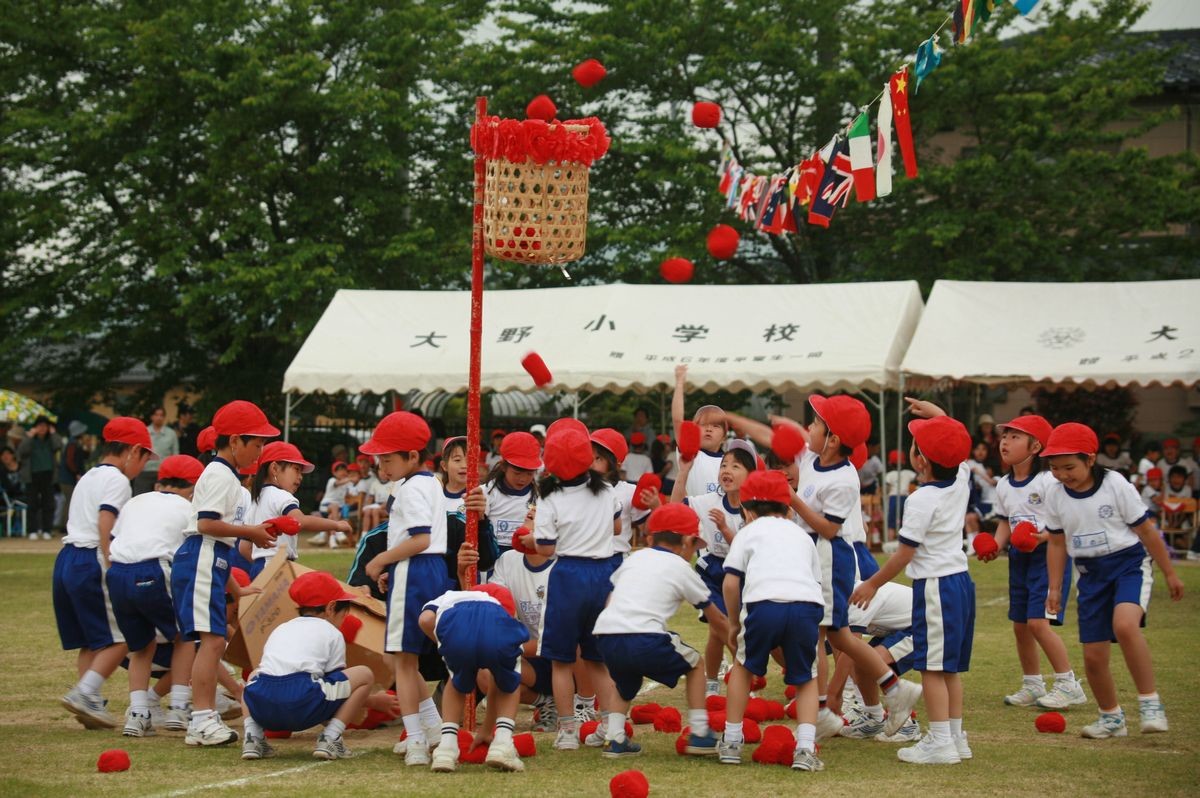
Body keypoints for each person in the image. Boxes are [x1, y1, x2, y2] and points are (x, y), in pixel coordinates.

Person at [790, 395, 921, 744]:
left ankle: (822, 711)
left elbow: (830, 528)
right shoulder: (811, 460)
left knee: (820, 634)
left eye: (816, 424)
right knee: (835, 635)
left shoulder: (845, 479)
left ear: (833, 439)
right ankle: (893, 688)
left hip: (830, 557)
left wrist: (791, 499)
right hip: (812, 556)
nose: (809, 428)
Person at [1041, 422, 1184, 738]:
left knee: (1124, 625)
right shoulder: (1053, 493)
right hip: (1090, 576)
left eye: (1069, 467)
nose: (1062, 474)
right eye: (1054, 468)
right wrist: (1054, 587)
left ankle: (1150, 703)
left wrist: (1171, 573)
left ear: (1090, 459)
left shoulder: (1116, 484)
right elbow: (1055, 542)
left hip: (1128, 566)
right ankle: (1111, 718)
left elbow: (1146, 530)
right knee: (1093, 657)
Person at [851, 405, 976, 765]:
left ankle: (939, 742)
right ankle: (954, 737)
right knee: (948, 668)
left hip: (935, 587)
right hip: (960, 583)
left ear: (919, 461)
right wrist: (936, 413)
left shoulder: (921, 498)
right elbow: (956, 438)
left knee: (932, 668)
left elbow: (904, 554)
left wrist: (873, 583)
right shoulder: (962, 478)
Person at [172, 400, 278, 746]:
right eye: (257, 443)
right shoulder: (219, 474)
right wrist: (253, 532)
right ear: (234, 442)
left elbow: (219, 542)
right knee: (213, 641)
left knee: (214, 639)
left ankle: (202, 716)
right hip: (201, 556)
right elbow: (206, 524)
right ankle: (201, 718)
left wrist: (235, 587)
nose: (260, 451)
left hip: (210, 559)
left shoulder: (227, 476)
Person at [595, 502, 724, 759]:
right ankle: (699, 733)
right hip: (644, 636)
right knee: (696, 665)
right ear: (688, 541)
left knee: (626, 682)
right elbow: (713, 615)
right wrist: (734, 635)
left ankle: (614, 738)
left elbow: (611, 598)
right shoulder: (681, 568)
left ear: (651, 537)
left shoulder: (635, 558)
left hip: (606, 635)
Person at [719, 470, 825, 771]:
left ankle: (731, 740)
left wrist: (733, 624)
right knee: (805, 678)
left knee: (743, 667)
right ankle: (805, 749)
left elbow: (730, 584)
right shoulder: (803, 536)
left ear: (746, 510)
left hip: (763, 605)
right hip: (806, 606)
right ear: (789, 510)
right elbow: (815, 583)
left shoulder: (747, 533)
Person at [361, 411, 450, 767]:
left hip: (415, 569)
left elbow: (419, 538)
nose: (382, 466)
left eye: (388, 458)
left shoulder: (411, 488)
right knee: (404, 658)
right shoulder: (430, 483)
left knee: (401, 658)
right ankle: (432, 727)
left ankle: (415, 737)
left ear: (413, 456)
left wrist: (381, 560)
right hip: (428, 571)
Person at [979, 415, 1085, 711]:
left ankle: (1068, 684)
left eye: (1015, 437)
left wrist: (1040, 538)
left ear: (1036, 445)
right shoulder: (1003, 484)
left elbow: (1064, 520)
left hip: (1048, 555)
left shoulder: (1049, 481)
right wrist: (995, 545)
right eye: (1004, 436)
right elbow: (1005, 522)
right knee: (1021, 626)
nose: (1005, 442)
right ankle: (1033, 684)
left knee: (1039, 623)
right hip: (1019, 558)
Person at [54, 417, 153, 730]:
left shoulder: (88, 476)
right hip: (92, 559)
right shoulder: (117, 480)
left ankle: (89, 703)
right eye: (145, 458)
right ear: (132, 451)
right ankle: (85, 692)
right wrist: (112, 561)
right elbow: (105, 520)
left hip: (67, 558)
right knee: (124, 635)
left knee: (92, 640)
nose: (143, 467)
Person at [532, 425, 619, 752]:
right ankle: (611, 725)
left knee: (561, 660)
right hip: (603, 574)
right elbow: (616, 524)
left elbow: (543, 547)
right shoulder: (607, 490)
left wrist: (532, 540)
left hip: (568, 574)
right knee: (598, 659)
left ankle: (567, 731)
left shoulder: (550, 496)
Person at [106, 454, 205, 737]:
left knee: (142, 646)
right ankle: (178, 706)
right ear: (195, 485)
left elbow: (117, 538)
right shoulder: (188, 508)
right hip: (153, 571)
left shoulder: (136, 501)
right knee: (186, 636)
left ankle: (137, 714)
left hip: (118, 573)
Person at [240, 571, 381, 761]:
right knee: (364, 674)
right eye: (344, 612)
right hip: (302, 700)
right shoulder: (332, 632)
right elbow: (335, 685)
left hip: (263, 707)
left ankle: (252, 737)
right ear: (331, 608)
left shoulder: (282, 628)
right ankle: (331, 737)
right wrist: (372, 702)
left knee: (254, 677)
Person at [664, 440, 756, 696]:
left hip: (742, 573)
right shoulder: (709, 500)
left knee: (719, 633)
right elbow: (675, 506)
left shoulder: (755, 508)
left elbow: (747, 551)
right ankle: (744, 676)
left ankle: (714, 680)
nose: (727, 470)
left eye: (735, 466)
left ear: (750, 475)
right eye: (724, 464)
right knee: (722, 625)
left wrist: (727, 529)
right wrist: (683, 472)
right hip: (712, 572)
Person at [421, 584, 530, 772]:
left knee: (455, 682)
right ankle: (502, 743)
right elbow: (499, 683)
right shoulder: (496, 606)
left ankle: (446, 749)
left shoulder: (448, 596)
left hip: (456, 628)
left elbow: (426, 619)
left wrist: (442, 642)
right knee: (509, 682)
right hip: (494, 628)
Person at [246, 442, 352, 578]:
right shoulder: (281, 496)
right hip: (277, 569)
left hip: (258, 568)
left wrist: (261, 567)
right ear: (274, 469)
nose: (300, 476)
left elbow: (244, 547)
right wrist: (336, 525)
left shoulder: (255, 500)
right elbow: (300, 521)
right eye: (296, 469)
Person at [437, 436, 494, 588]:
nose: (464, 465)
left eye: (470, 460)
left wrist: (481, 518)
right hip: (436, 577)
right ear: (444, 465)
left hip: (465, 583)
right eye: (457, 460)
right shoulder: (433, 496)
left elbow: (488, 557)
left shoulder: (479, 497)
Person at [590, 428, 650, 564]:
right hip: (584, 561)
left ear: (616, 463)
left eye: (598, 458)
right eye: (588, 456)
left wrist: (655, 506)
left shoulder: (629, 491)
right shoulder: (579, 489)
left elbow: (647, 529)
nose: (591, 463)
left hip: (616, 561)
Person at [671, 365, 727, 495]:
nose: (708, 429)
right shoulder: (690, 455)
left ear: (724, 437)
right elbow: (677, 420)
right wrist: (679, 383)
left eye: (715, 426)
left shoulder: (731, 461)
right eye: (703, 425)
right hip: (694, 514)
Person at [484, 432, 541, 556]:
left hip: (525, 559)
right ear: (504, 466)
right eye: (517, 473)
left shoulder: (540, 497)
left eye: (529, 474)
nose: (523, 479)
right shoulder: (487, 492)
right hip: (493, 560)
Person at [18, 414, 61, 539]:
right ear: (35, 427)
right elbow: (21, 452)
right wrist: (29, 437)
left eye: (45, 426)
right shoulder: (30, 439)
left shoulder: (51, 439)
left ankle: (47, 529)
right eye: (40, 426)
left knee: (48, 503)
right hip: (32, 475)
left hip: (48, 475)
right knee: (32, 503)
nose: (42, 428)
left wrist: (53, 434)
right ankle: (32, 530)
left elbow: (58, 446)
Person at [133, 407, 180, 496]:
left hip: (163, 473)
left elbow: (175, 455)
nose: (159, 417)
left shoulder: (171, 434)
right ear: (152, 417)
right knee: (141, 499)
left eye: (161, 415)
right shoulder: (144, 432)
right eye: (156, 415)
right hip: (145, 472)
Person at [55, 420, 89, 534]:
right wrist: (77, 473)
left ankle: (64, 524)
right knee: (70, 501)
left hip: (67, 477)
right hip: (68, 478)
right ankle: (64, 525)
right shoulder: (72, 444)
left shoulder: (72, 443)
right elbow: (70, 461)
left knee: (69, 501)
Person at [311, 461, 351, 547]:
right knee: (334, 506)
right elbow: (338, 483)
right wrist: (351, 478)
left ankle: (332, 540)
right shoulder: (332, 480)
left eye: (344, 470)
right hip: (325, 507)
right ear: (334, 473)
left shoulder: (347, 484)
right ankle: (339, 533)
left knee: (331, 517)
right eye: (339, 470)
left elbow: (350, 495)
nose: (342, 472)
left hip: (336, 510)